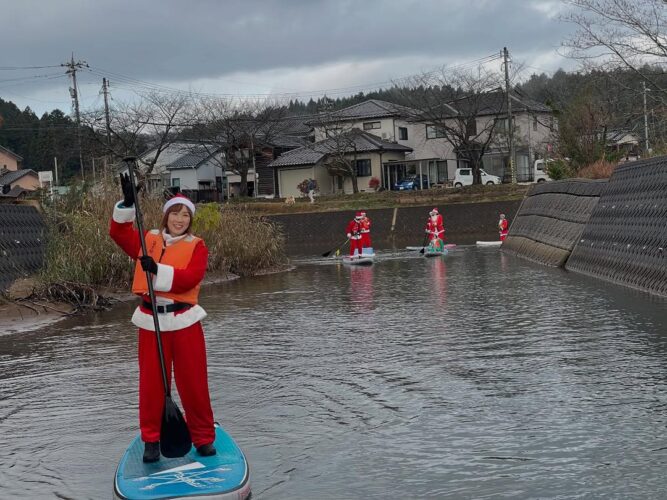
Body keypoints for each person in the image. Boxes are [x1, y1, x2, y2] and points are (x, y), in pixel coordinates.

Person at [109, 175, 216, 463]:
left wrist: (156, 269)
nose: (180, 220)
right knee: (152, 385)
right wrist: (128, 205)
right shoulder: (149, 238)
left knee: (194, 383)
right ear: (166, 215)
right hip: (150, 322)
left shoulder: (197, 246)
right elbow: (119, 234)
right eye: (175, 214)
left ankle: (204, 437)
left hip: (185, 322)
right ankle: (151, 441)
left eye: (185, 215)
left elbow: (190, 278)